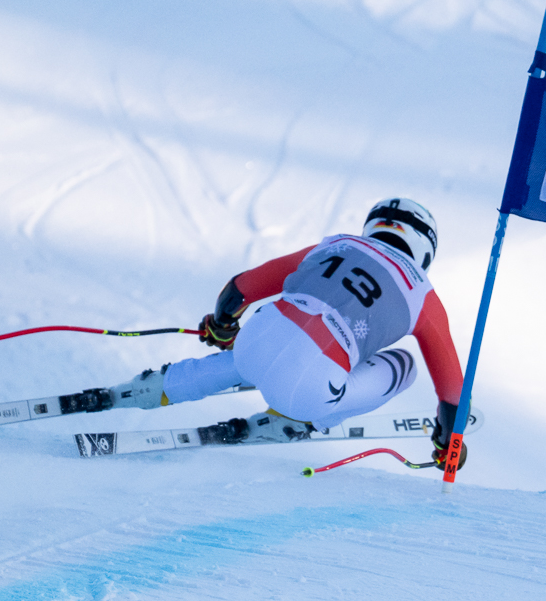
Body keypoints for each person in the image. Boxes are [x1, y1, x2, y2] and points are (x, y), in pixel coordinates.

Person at [106, 198, 465, 468]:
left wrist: (223, 326)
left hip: (255, 341)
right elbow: (452, 390)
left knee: (265, 342)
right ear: (425, 248)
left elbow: (239, 289)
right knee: (404, 363)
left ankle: (162, 384)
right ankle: (297, 420)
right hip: (312, 388)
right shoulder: (424, 294)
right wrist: (450, 438)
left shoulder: (335, 243)